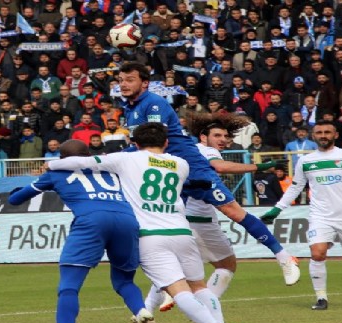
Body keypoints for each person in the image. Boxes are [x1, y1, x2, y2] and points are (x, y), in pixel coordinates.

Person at [48, 125, 249, 323]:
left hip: (150, 236)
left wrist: (51, 165)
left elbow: (81, 163)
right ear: (165, 143)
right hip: (182, 231)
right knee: (199, 286)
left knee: (178, 291)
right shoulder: (180, 163)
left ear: (135, 143)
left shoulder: (127, 159)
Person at [117, 62, 300, 286]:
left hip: (192, 168)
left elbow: (154, 140)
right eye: (121, 80)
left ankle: (284, 257)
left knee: (234, 212)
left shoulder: (153, 103)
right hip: (171, 172)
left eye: (130, 80)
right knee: (164, 220)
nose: (123, 85)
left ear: (144, 83)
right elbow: (140, 145)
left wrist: (116, 158)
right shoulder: (129, 108)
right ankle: (169, 284)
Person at [9, 140, 158, 323]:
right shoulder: (110, 168)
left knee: (69, 287)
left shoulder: (55, 174)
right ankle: (141, 311)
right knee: (124, 281)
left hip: (90, 221)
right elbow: (131, 157)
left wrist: (20, 188)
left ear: (62, 159)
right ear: (87, 155)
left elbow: (15, 199)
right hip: (127, 221)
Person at [259, 120, 342, 310]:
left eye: (327, 132)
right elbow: (295, 187)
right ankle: (321, 298)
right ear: (313, 136)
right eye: (319, 132)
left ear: (335, 135)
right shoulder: (306, 161)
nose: (323, 135)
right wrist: (277, 209)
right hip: (321, 217)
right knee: (317, 253)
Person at [150, 116, 280, 312]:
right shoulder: (205, 151)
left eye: (226, 137)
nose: (223, 140)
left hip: (177, 219)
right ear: (203, 137)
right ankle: (203, 309)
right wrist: (260, 166)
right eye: (217, 135)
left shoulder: (183, 152)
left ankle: (146, 310)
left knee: (174, 268)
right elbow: (221, 166)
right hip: (201, 222)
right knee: (227, 264)